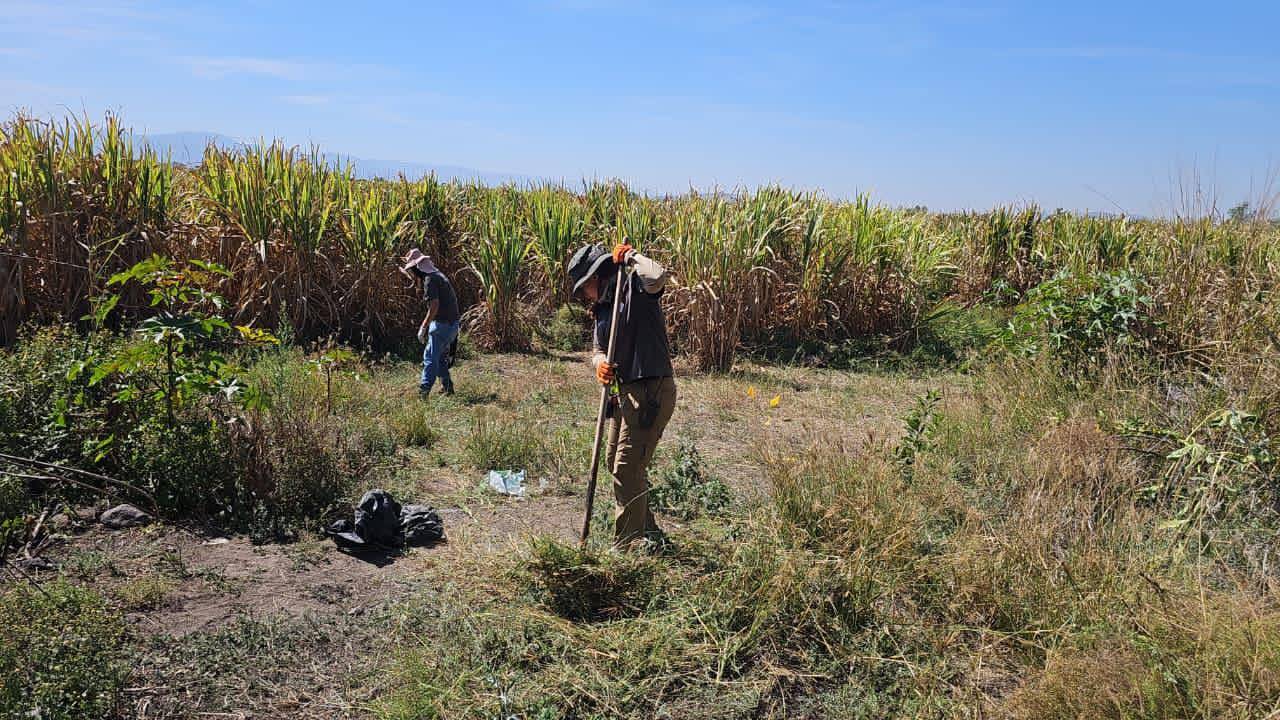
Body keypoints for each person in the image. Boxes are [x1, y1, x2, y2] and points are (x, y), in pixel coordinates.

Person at [566, 242, 677, 548]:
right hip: (624, 393)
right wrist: (599, 363)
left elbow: (658, 275)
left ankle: (627, 547)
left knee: (627, 467)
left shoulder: (635, 287)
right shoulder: (603, 308)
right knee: (615, 459)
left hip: (650, 390)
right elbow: (598, 349)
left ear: (594, 278)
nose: (582, 295)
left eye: (583, 287)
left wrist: (631, 257)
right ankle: (650, 533)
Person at [400, 248, 459, 398]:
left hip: (442, 325)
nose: (413, 273)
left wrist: (423, 326)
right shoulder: (439, 275)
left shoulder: (430, 280)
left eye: (413, 270)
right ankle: (447, 388)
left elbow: (434, 305)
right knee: (438, 357)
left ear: (417, 267)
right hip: (451, 325)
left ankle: (423, 392)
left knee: (430, 357)